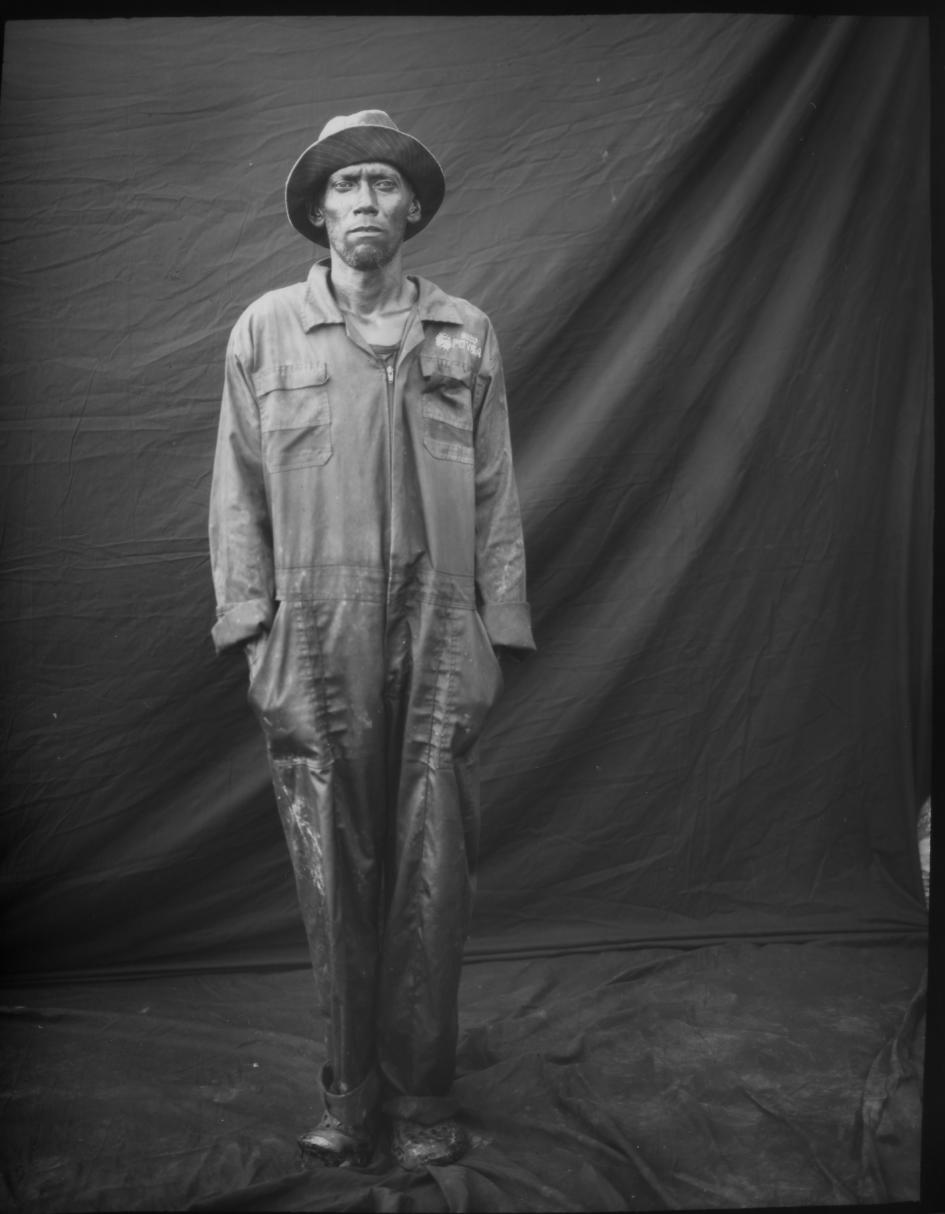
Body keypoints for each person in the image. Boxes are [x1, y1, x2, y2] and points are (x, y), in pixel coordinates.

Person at [208, 110, 535, 1170]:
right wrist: (252, 624)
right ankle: (350, 1092)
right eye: (343, 185)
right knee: (329, 865)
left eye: (382, 186)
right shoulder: (264, 331)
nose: (362, 201)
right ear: (316, 211)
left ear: (414, 210)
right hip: (314, 627)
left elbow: (493, 491)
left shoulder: (466, 332)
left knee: (434, 865)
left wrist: (499, 625)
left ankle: (424, 1090)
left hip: (443, 627)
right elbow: (236, 492)